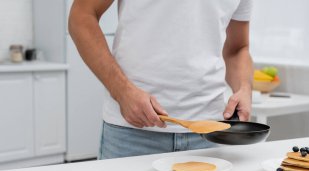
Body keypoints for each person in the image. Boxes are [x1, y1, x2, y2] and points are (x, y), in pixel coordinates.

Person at [69, 0, 254, 158]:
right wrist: (123, 92)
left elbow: (237, 49)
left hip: (211, 134)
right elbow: (81, 18)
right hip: (132, 135)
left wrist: (244, 88)